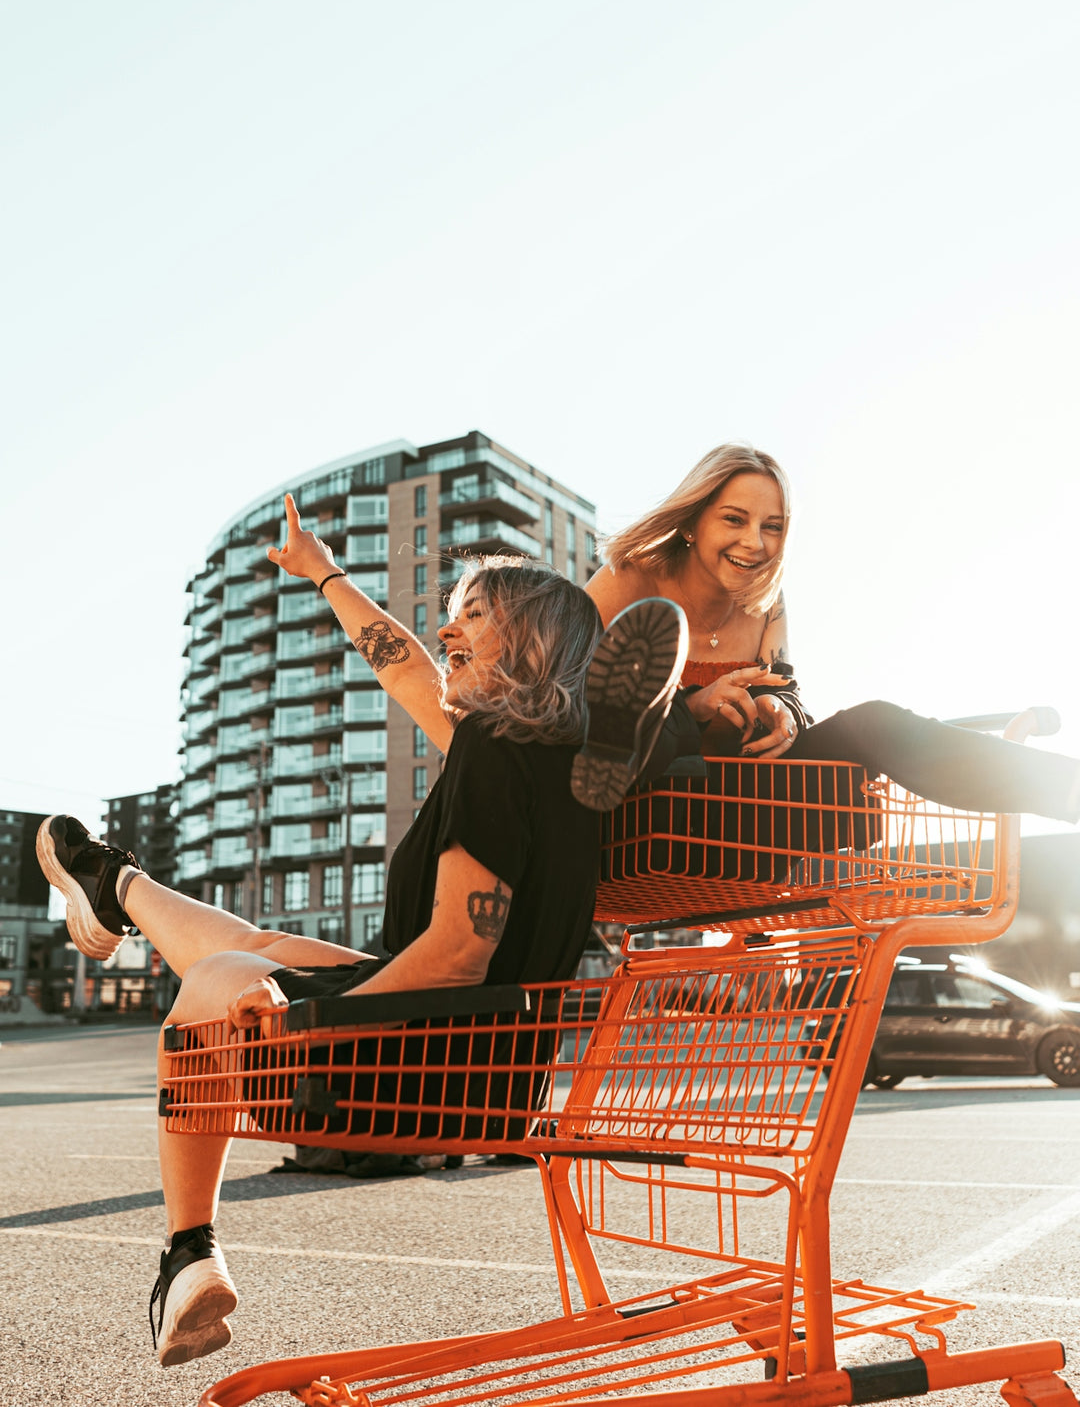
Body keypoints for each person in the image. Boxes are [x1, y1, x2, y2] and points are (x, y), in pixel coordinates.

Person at [35, 494, 683, 1369]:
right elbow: (404, 668)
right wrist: (325, 572)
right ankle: (117, 883)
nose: (446, 630)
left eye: (473, 617)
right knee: (263, 952)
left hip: (429, 1071)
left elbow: (457, 953)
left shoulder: (493, 749)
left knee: (219, 984)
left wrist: (309, 1024)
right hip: (492, 1063)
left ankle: (188, 1249)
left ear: (527, 639)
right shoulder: (552, 765)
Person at [574, 442, 1080, 824]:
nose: (755, 544)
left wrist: (784, 716)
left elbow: (790, 694)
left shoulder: (766, 600)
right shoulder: (629, 581)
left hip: (745, 811)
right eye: (735, 519)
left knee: (873, 725)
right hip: (650, 813)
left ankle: (1066, 791)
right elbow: (569, 704)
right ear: (691, 523)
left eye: (772, 527)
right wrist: (693, 706)